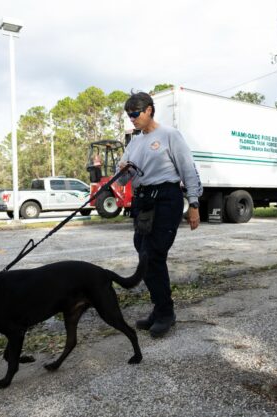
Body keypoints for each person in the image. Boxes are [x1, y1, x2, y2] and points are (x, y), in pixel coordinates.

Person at [118, 91, 202, 338]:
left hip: (166, 198)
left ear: (149, 110)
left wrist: (194, 203)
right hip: (143, 201)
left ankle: (166, 313)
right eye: (129, 115)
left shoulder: (169, 135)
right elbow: (124, 178)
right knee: (143, 254)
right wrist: (121, 170)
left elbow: (187, 168)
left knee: (154, 254)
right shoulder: (134, 143)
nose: (132, 118)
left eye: (135, 114)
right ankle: (159, 308)